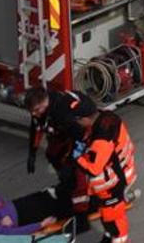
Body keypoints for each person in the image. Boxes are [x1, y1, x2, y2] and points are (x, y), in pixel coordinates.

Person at [23, 87, 98, 226]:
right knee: (53, 153)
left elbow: (81, 137)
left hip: (83, 131)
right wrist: (32, 154)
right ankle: (66, 183)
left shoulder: (62, 112)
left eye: (36, 110)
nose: (34, 114)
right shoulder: (40, 112)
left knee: (76, 173)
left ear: (44, 102)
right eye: (31, 111)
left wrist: (73, 159)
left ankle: (82, 212)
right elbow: (36, 130)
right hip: (65, 132)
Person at [74, 110, 137, 243]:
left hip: (112, 185)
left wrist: (78, 158)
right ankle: (110, 236)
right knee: (108, 217)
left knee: (113, 220)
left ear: (86, 119)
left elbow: (93, 169)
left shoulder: (101, 139)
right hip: (119, 175)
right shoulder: (108, 117)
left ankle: (118, 239)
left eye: (78, 120)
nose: (77, 124)